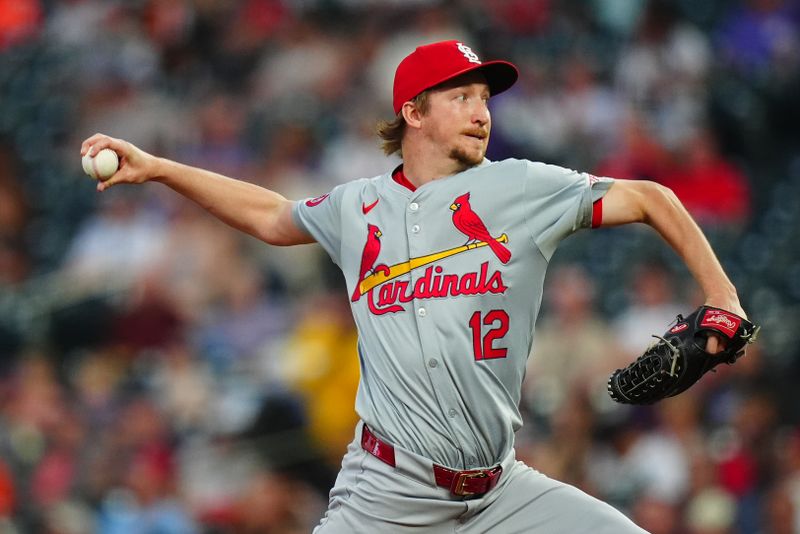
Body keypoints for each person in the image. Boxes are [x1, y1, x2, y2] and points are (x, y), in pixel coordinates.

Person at [81, 40, 747, 533]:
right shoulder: (357, 205)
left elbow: (653, 198)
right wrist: (162, 168)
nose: (481, 110)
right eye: (461, 96)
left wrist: (724, 299)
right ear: (414, 111)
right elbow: (268, 215)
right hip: (385, 493)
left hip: (498, 492)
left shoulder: (519, 188)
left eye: (485, 97)